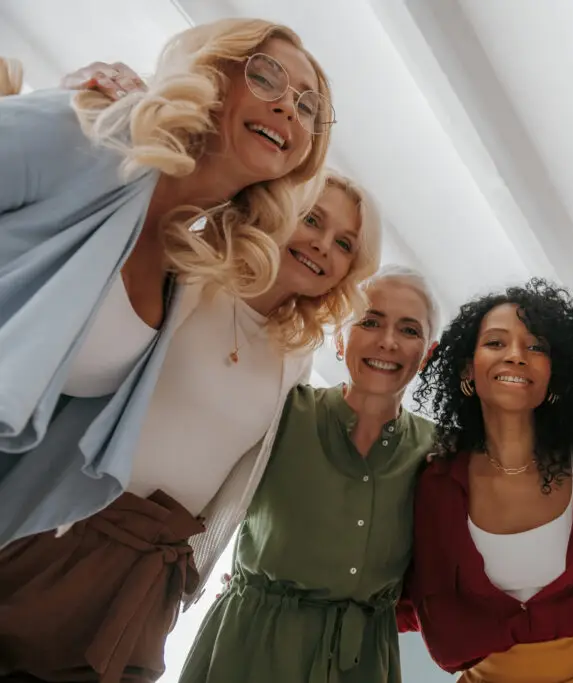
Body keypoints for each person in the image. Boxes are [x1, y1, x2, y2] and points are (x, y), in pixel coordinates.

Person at [0, 172, 382, 682]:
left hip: (149, 573)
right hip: (62, 525)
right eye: (312, 219)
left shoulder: (296, 359)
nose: (322, 245)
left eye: (344, 244)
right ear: (279, 211)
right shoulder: (187, 275)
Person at [0, 19, 336, 546]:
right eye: (267, 77)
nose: (289, 108)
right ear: (214, 73)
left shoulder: (187, 266)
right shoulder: (91, 134)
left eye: (308, 107)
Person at [179, 265, 439, 683]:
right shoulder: (282, 411)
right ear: (339, 337)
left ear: (427, 351)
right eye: (370, 322)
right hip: (251, 650)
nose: (387, 341)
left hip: (364, 662)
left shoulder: (438, 452)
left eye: (409, 330)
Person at [402, 279, 573, 682]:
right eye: (495, 343)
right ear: (467, 370)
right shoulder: (434, 484)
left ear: (555, 375)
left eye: (536, 347)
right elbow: (410, 599)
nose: (515, 356)